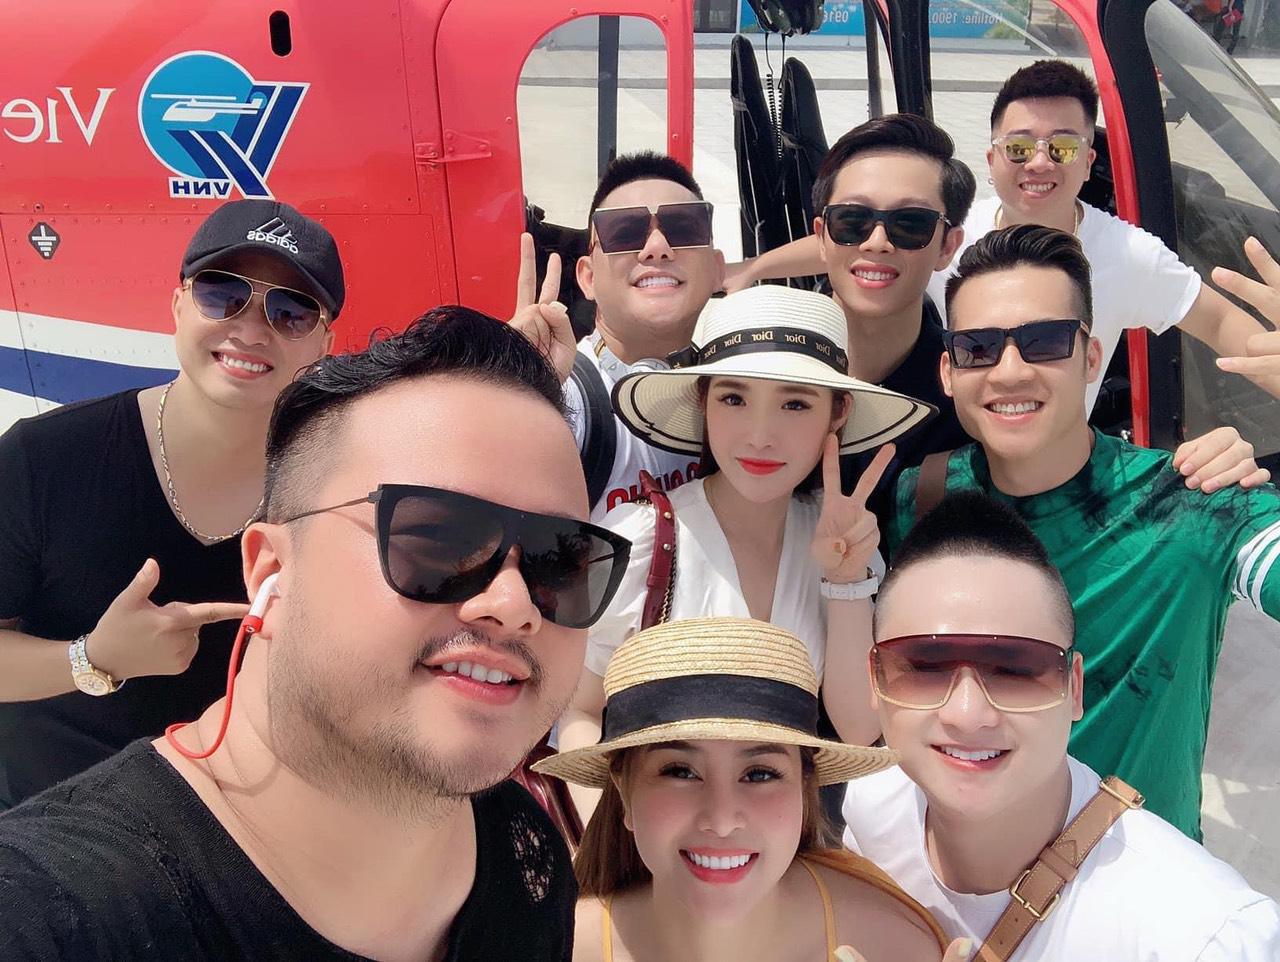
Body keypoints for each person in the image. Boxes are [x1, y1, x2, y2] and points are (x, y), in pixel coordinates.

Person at [0, 308, 633, 959]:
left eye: (561, 558)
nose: (513, 604)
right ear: (271, 572)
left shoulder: (528, 861)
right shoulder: (51, 918)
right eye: (438, 537)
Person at [887, 225, 1280, 839]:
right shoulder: (922, 496)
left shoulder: (1194, 502)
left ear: (1091, 357)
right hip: (950, 872)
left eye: (1043, 342)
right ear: (948, 370)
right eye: (978, 347)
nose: (1009, 371)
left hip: (1135, 883)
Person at [724, 114, 1266, 511]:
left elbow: (1086, 484)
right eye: (852, 222)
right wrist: (744, 272)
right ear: (823, 236)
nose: (878, 242)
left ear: (947, 246)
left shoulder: (979, 399)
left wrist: (1203, 471)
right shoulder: (751, 369)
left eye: (911, 224)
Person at [0, 198, 344, 809]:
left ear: (324, 342)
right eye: (222, 293)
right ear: (178, 304)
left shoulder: (336, 483)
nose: (251, 328)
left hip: (253, 830)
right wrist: (93, 659)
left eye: (291, 311)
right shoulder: (45, 457)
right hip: (63, 827)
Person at [844, 491, 1280, 959]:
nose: (967, 714)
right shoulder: (869, 809)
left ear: (1074, 688)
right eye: (924, 666)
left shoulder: (1202, 937)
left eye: (1016, 669)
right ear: (876, 680)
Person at [556, 284, 934, 815]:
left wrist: (847, 580)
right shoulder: (641, 538)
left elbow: (857, 728)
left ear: (838, 412)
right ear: (702, 400)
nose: (760, 436)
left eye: (795, 403)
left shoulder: (841, 539)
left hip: (783, 841)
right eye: (734, 398)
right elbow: (578, 712)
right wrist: (608, 840)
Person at [534, 616, 968, 962]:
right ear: (624, 791)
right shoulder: (549, 947)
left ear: (805, 787)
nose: (722, 820)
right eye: (680, 771)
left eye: (759, 774)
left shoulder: (892, 945)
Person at [927, 59, 1280, 413]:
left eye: (1063, 147)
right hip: (952, 443)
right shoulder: (946, 239)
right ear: (992, 159)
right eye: (1019, 148)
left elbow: (1218, 321)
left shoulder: (1125, 253)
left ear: (1087, 162)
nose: (1039, 163)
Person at [510, 151, 726, 518]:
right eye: (624, 233)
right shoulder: (562, 398)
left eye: (684, 227)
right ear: (588, 278)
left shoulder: (755, 390)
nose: (657, 248)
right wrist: (511, 398)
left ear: (718, 268)